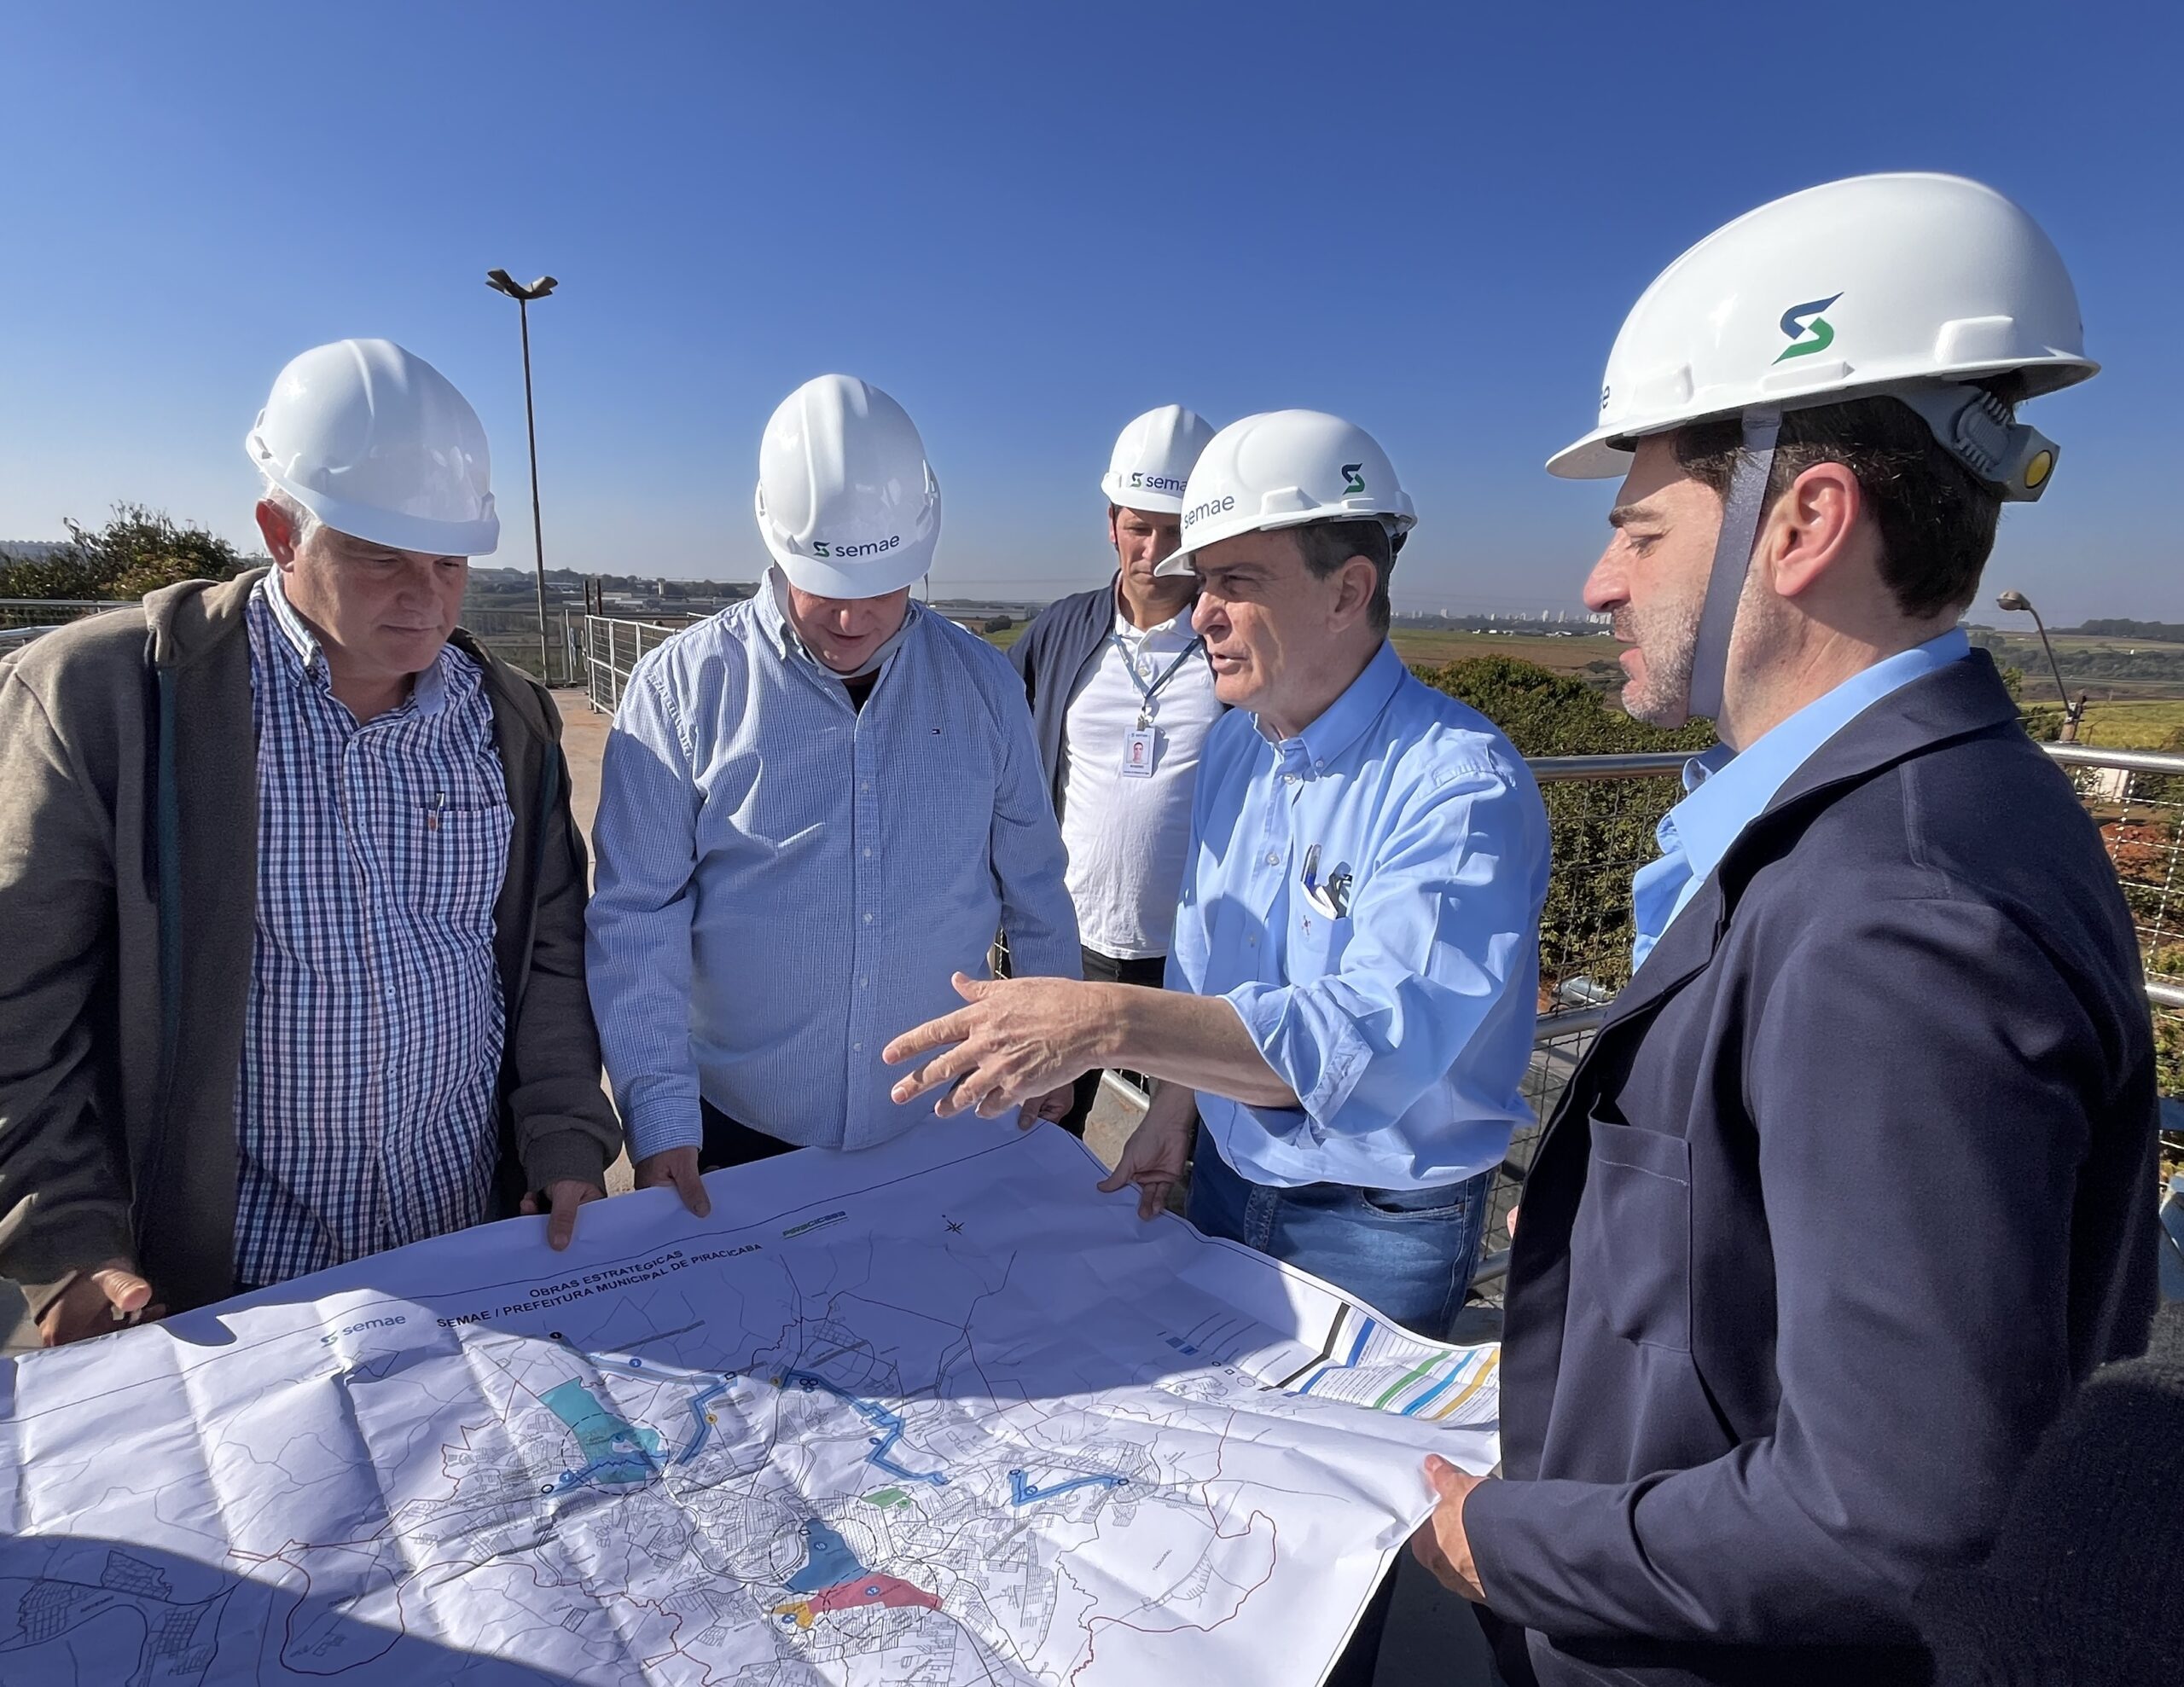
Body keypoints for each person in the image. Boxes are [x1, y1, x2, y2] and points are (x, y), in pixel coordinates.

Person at [1409, 173, 2160, 1687]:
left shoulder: (1897, 909)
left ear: (1804, 517)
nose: (1597, 579)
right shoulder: (1930, 818)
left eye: (1640, 528)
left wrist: (1513, 1541)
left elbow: (1890, 1512)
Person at [0, 339, 619, 1346]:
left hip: (468, 1264)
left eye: (451, 561)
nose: (425, 597)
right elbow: (21, 1006)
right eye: (380, 556)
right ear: (280, 531)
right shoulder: (106, 699)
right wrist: (66, 1242)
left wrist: (562, 1136)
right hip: (216, 1296)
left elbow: (549, 959)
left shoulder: (511, 726)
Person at [585, 374, 1079, 1215]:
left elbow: (1033, 879)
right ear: (775, 544)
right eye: (827, 588)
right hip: (733, 1132)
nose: (852, 621)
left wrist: (1054, 1046)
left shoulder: (984, 686)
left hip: (943, 1118)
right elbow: (638, 917)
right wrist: (660, 1118)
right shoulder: (681, 687)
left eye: (881, 588)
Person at [1008, 405, 1222, 1135]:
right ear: (1111, 522)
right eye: (1139, 525)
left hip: (1194, 957)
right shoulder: (1061, 631)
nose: (1155, 548)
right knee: (1041, 1128)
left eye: (1176, 529)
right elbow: (995, 743)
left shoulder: (1236, 642)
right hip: (1068, 940)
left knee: (1187, 1145)